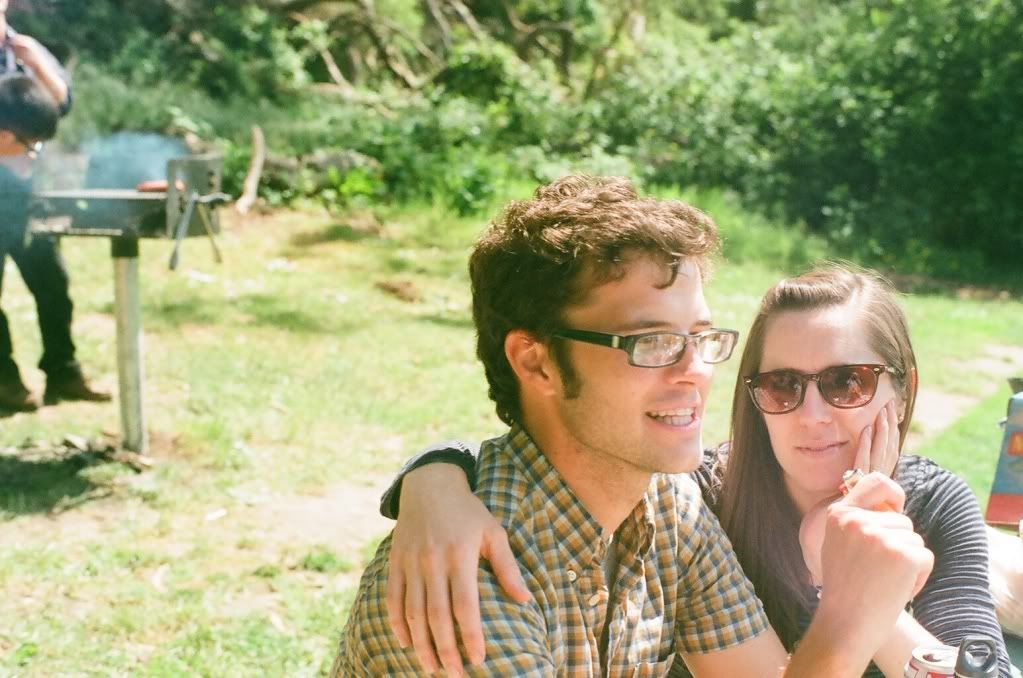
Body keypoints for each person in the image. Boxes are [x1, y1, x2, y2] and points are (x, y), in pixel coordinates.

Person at [333, 175, 935, 677]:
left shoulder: (672, 510)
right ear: (534, 361)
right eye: (652, 342)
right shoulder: (467, 572)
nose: (694, 371)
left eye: (699, 338)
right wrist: (849, 618)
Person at [383, 262, 1015, 677]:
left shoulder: (930, 501)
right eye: (782, 384)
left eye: (847, 382)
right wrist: (433, 475)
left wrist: (870, 589)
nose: (813, 414)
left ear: (901, 393)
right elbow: (575, 454)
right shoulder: (701, 498)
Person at [0, 3, 110, 411]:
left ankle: (63, 372)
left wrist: (33, 61)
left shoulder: (25, 49)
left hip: (24, 187)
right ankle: (5, 382)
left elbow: (60, 104)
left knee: (51, 283)